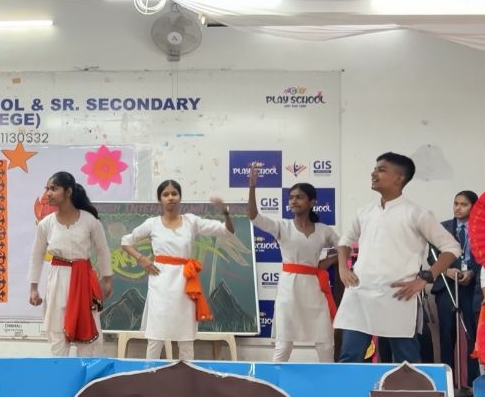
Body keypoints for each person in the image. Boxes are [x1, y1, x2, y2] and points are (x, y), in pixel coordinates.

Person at [334, 152, 461, 364]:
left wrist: (425, 278)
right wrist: (343, 269)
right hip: (360, 293)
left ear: (399, 178)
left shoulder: (417, 213)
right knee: (349, 357)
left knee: (406, 360)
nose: (373, 173)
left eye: (381, 170)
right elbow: (345, 241)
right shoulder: (364, 211)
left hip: (397, 295)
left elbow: (452, 247)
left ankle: (410, 388)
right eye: (375, 169)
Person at [120, 180, 234, 360]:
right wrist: (142, 260)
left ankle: (187, 374)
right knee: (156, 336)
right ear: (160, 199)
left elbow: (227, 231)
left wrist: (225, 213)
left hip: (185, 283)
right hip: (160, 283)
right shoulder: (152, 223)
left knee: (185, 337)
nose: (170, 197)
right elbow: (125, 241)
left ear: (180, 197)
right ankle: (150, 372)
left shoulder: (191, 221)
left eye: (174, 193)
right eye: (165, 194)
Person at [245, 164, 339, 362]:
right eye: (291, 197)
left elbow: (344, 248)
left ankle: (329, 379)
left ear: (312, 202)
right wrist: (252, 186)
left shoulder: (324, 230)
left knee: (325, 344)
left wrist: (328, 262)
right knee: (284, 344)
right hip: (289, 289)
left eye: (299, 197)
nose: (294, 201)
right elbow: (254, 216)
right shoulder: (282, 226)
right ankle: (274, 380)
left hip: (315, 290)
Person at [28, 172, 114, 356]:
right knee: (57, 333)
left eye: (53, 189)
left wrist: (107, 279)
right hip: (57, 279)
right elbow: (36, 256)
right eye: (47, 189)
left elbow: (103, 250)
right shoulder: (46, 224)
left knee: (87, 340)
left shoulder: (90, 221)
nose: (48, 193)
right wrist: (33, 288)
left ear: (68, 192)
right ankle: (60, 371)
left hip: (83, 280)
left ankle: (86, 373)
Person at [431, 190, 481, 391]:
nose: (458, 208)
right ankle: (447, 384)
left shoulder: (480, 229)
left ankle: (473, 383)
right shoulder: (442, 228)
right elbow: (432, 256)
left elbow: (481, 256)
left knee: (472, 335)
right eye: (456, 203)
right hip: (447, 285)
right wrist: (446, 269)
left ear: (474, 208)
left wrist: (472, 272)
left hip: (471, 287)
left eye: (464, 204)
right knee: (447, 334)